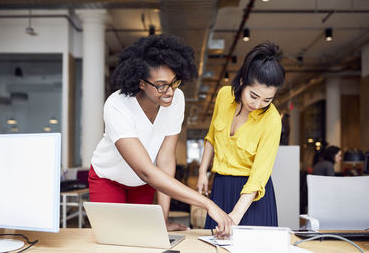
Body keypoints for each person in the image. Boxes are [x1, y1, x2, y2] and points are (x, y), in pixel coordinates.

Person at [88, 34, 233, 237]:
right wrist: (207, 204)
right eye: (161, 85)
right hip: (109, 179)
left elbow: (165, 162)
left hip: (144, 184)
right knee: (114, 240)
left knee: (142, 239)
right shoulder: (117, 105)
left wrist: (162, 220)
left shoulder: (177, 100)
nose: (170, 92)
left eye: (174, 82)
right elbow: (147, 170)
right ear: (141, 83)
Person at [197, 42, 285, 228]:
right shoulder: (223, 96)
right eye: (253, 96)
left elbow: (259, 175)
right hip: (221, 187)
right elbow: (212, 135)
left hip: (252, 197)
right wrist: (202, 171)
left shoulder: (272, 120)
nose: (258, 104)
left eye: (267, 99)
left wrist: (236, 214)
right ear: (243, 81)